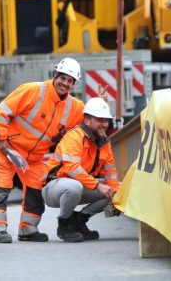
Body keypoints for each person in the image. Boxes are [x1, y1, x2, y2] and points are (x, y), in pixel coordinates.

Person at [0, 58, 106, 243]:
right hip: (7, 149)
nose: (65, 83)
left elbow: (90, 121)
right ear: (55, 75)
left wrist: (100, 103)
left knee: (35, 190)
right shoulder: (32, 90)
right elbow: (1, 113)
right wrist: (1, 139)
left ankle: (27, 230)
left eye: (70, 80)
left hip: (34, 158)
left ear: (73, 84)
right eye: (62, 78)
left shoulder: (74, 106)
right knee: (1, 187)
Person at [41, 97, 120, 242]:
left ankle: (79, 220)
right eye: (99, 120)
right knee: (75, 186)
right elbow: (72, 168)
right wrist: (98, 186)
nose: (104, 124)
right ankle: (64, 224)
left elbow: (111, 174)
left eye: (106, 120)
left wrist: (116, 197)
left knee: (117, 189)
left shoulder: (104, 142)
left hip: (79, 186)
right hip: (54, 187)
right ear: (87, 120)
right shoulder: (75, 136)